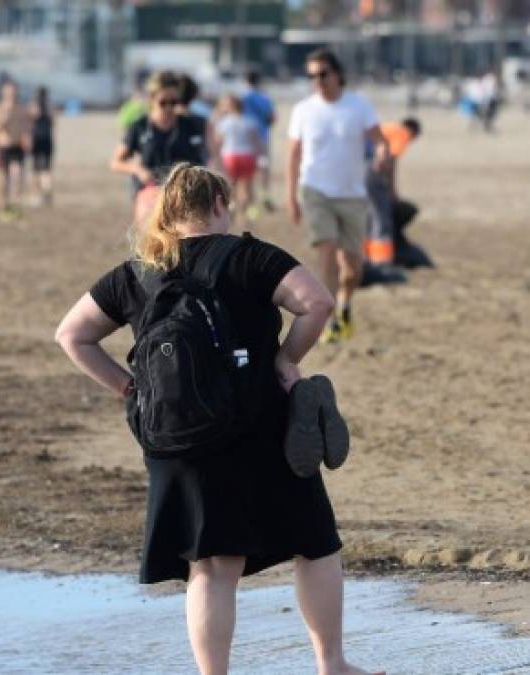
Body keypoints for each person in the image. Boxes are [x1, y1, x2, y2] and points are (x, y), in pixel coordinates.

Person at [55, 163, 377, 675]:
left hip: (175, 435)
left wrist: (128, 387)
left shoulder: (137, 271)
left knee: (209, 567)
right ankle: (331, 664)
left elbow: (71, 336)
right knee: (315, 542)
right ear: (221, 206)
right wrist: (284, 360)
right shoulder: (251, 257)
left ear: (168, 213)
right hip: (259, 426)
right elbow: (317, 302)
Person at [287, 48, 388, 344]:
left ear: (338, 74)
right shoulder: (303, 110)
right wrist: (291, 196)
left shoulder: (358, 106)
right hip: (315, 190)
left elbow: (379, 140)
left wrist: (381, 155)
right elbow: (293, 154)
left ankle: (345, 305)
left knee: (352, 266)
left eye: (322, 74)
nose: (317, 80)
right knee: (327, 252)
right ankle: (329, 322)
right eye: (311, 76)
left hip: (352, 195)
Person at [110, 71, 207, 222]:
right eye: (163, 102)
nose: (169, 108)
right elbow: (116, 162)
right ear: (152, 99)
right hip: (150, 194)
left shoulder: (192, 126)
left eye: (174, 102)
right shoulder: (139, 127)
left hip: (186, 197)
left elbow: (209, 159)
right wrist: (138, 169)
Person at [363, 118, 420, 274]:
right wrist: (392, 191)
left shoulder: (389, 127)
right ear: (413, 132)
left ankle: (365, 256)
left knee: (367, 215)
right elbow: (391, 160)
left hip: (355, 166)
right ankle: (381, 261)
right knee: (381, 216)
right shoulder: (403, 134)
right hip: (370, 168)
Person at [213, 93, 263, 228]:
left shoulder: (224, 122)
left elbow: (218, 141)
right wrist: (261, 158)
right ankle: (249, 215)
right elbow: (257, 142)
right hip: (247, 155)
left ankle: (233, 209)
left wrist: (216, 158)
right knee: (248, 188)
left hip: (229, 155)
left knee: (231, 186)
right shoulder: (250, 121)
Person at [0, 80, 31, 222]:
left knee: (17, 175)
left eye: (13, 91)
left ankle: (16, 205)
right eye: (8, 91)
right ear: (3, 93)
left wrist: (27, 137)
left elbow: (26, 125)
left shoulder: (21, 108)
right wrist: (3, 118)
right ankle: (4, 205)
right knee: (4, 178)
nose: (11, 94)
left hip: (18, 146)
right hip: (4, 146)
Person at [241, 71, 277, 213]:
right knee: (264, 168)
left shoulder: (242, 97)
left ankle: (249, 202)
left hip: (246, 138)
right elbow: (272, 118)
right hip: (262, 136)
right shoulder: (264, 97)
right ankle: (265, 196)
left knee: (248, 171)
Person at [29, 86, 55, 206]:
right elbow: (54, 123)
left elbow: (30, 119)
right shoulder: (50, 107)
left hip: (36, 138)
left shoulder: (34, 106)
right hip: (47, 138)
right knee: (46, 169)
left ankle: (35, 196)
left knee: (35, 169)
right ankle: (47, 196)